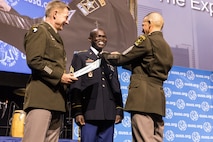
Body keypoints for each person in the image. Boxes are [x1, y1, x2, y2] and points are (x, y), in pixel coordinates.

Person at [0, 0, 137, 71]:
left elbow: (45, 34)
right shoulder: (123, 15)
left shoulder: (95, 7)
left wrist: (5, 17)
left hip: (80, 93)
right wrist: (10, 11)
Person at [105, 12, 173, 142]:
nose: (142, 29)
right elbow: (147, 66)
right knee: (156, 138)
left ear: (150, 24)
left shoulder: (147, 41)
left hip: (142, 97)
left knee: (142, 138)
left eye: (143, 25)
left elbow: (124, 58)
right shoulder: (167, 48)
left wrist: (105, 56)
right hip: (157, 99)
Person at [22, 1, 78, 142]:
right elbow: (36, 61)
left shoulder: (56, 37)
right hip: (41, 100)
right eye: (66, 17)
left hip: (56, 101)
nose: (68, 21)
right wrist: (59, 75)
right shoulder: (39, 31)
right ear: (54, 14)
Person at [69, 28, 123, 142]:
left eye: (104, 36)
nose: (101, 39)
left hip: (108, 113)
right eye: (98, 36)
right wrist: (77, 111)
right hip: (89, 112)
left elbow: (115, 86)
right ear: (90, 39)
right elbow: (76, 85)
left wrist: (119, 110)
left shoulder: (110, 59)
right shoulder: (81, 57)